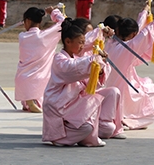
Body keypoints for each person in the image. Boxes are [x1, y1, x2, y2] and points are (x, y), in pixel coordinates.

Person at [41, 18, 125, 147]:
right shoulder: (59, 59)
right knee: (86, 128)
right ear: (68, 42)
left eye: (83, 42)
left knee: (112, 92)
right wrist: (94, 59)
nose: (83, 46)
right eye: (80, 43)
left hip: (74, 102)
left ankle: (102, 124)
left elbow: (90, 84)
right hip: (59, 104)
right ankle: (61, 138)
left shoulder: (77, 58)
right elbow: (72, 68)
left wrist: (101, 69)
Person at [105, 10, 154, 130]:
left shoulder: (109, 43)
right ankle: (126, 120)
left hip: (109, 87)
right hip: (122, 90)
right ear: (132, 35)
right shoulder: (125, 48)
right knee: (152, 111)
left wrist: (145, 14)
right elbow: (142, 37)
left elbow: (140, 34)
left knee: (145, 84)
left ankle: (124, 118)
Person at [15, 6, 65, 113]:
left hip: (22, 79)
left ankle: (28, 101)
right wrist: (53, 12)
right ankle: (32, 101)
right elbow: (63, 22)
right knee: (44, 103)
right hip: (39, 79)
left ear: (27, 21)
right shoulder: (44, 36)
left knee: (32, 98)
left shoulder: (22, 36)